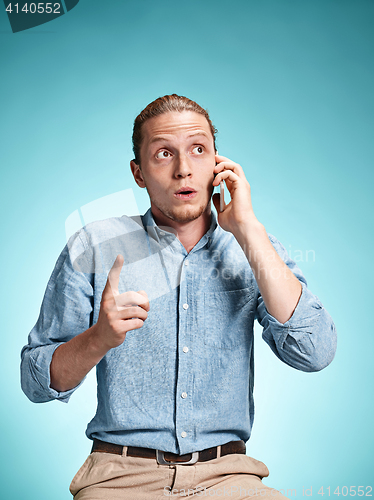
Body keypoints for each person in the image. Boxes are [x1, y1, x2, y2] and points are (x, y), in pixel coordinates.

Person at [21, 94, 337, 499]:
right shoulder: (95, 245)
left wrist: (248, 229)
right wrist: (98, 338)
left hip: (229, 477)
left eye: (198, 150)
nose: (184, 169)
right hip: (119, 478)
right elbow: (35, 382)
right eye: (164, 154)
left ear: (219, 165)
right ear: (139, 173)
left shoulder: (254, 248)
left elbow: (315, 352)